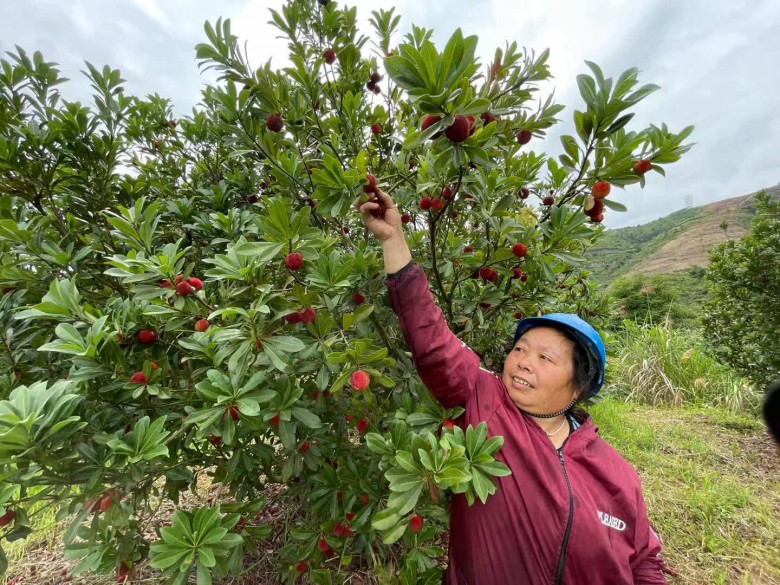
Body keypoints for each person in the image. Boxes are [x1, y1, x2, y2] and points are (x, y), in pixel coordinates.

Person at [355, 189, 670, 585]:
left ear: (579, 387)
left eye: (545, 357)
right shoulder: (487, 403)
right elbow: (431, 339)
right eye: (520, 349)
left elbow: (645, 561)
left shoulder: (616, 471)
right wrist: (393, 241)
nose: (523, 361)